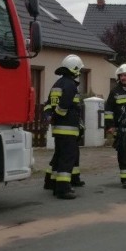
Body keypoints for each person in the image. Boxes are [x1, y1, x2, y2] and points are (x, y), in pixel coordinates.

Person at [42, 54, 84, 200]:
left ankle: (51, 182)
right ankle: (63, 189)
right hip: (68, 129)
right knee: (68, 158)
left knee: (59, 156)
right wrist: (57, 115)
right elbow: (64, 105)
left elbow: (47, 104)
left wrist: (49, 116)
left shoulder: (57, 84)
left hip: (58, 130)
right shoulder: (70, 85)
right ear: (75, 69)